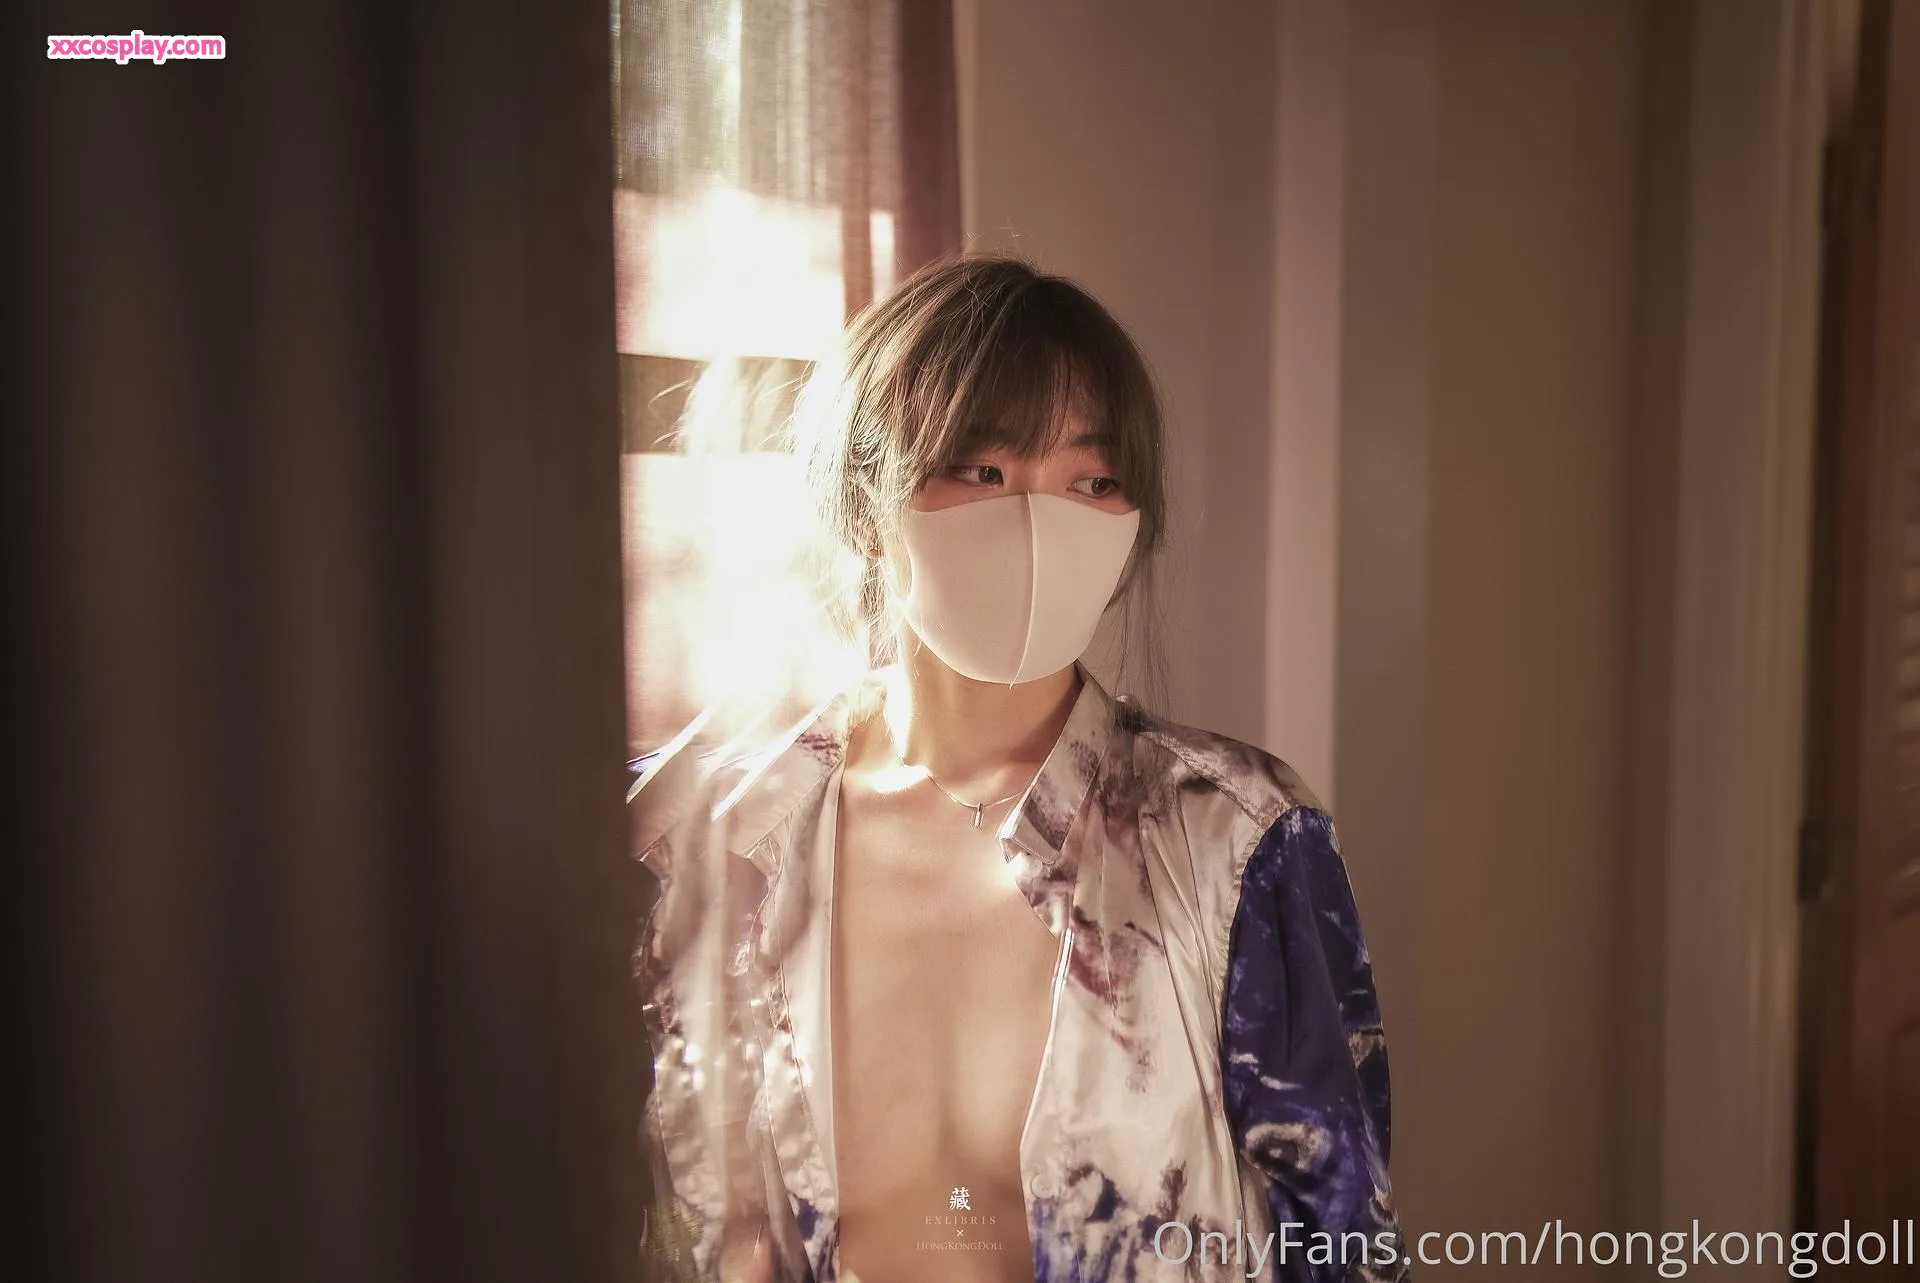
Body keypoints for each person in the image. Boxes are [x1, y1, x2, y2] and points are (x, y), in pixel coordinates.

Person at [630, 255, 1409, 1283]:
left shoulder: (1239, 835)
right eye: (985, 471)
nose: (1041, 523)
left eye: (1092, 482)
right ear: (864, 503)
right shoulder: (705, 833)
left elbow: (1345, 1242)